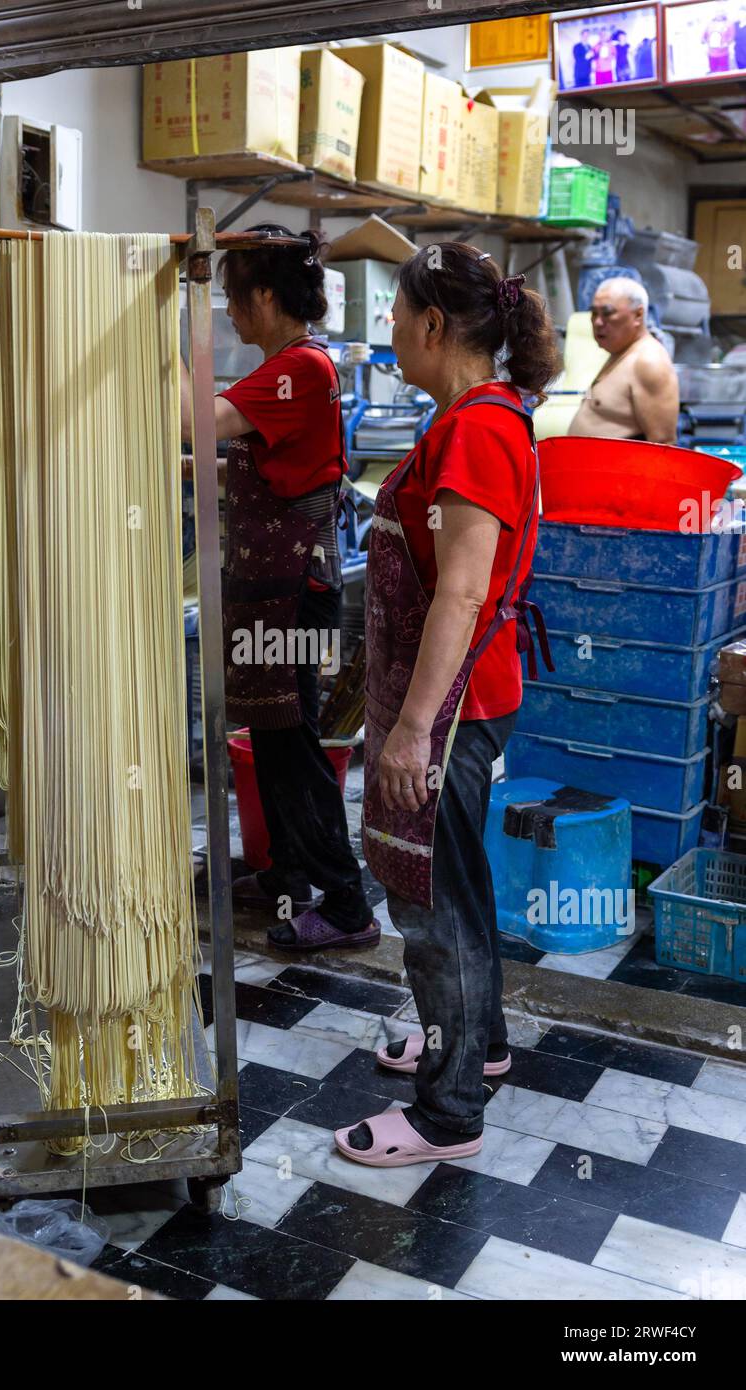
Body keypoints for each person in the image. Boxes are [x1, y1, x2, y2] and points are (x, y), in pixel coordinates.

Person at [333, 244, 559, 1167]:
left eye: (394, 314)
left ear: (433, 326)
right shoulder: (475, 417)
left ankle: (448, 1112)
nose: (388, 329)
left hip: (454, 707)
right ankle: (481, 1045)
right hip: (463, 696)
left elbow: (461, 595)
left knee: (436, 904)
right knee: (457, 883)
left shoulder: (477, 429)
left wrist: (412, 730)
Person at [180, 224, 377, 953]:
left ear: (265, 296)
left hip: (292, 589)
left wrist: (152, 336)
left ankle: (349, 905)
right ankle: (289, 872)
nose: (230, 313)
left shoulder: (300, 370)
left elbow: (189, 420)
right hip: (271, 586)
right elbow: (240, 459)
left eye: (232, 299)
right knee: (270, 737)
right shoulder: (287, 371)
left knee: (292, 746)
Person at [568, 277, 679, 443]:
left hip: (618, 468)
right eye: (594, 313)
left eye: (608, 313)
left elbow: (664, 444)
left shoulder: (649, 362)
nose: (598, 322)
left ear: (638, 315)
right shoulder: (619, 352)